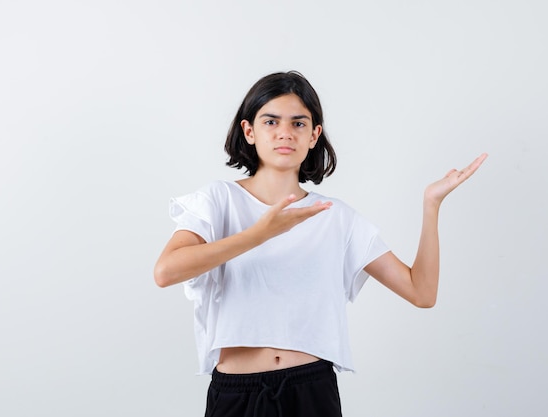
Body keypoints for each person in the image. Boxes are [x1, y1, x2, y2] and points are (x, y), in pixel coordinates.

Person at [153, 70, 487, 417]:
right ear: (248, 131)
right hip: (238, 393)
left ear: (314, 135)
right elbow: (165, 271)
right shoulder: (218, 200)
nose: (285, 132)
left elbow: (422, 292)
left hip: (310, 390)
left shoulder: (334, 216)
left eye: (299, 123)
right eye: (271, 121)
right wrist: (260, 233)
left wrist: (431, 204)